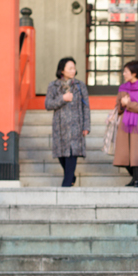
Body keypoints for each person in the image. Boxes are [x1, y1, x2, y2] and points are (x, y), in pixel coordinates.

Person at [44, 57, 90, 188]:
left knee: (72, 153)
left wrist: (86, 126)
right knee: (61, 155)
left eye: (74, 68)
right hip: (60, 126)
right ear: (62, 70)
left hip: (76, 125)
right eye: (70, 68)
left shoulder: (80, 86)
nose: (73, 70)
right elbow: (48, 104)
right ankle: (71, 176)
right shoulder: (53, 86)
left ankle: (66, 185)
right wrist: (63, 98)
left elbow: (86, 106)